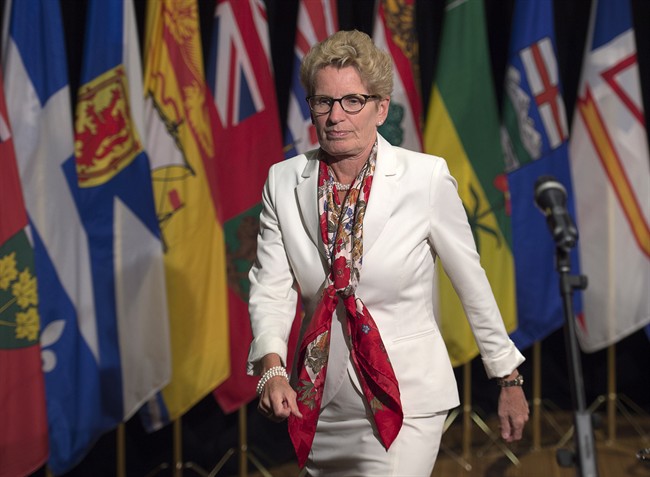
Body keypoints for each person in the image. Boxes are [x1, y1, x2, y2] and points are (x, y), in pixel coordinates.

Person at [246, 29, 529, 476]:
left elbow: (471, 284)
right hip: (319, 398)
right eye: (323, 102)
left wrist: (507, 377)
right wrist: (271, 367)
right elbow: (271, 286)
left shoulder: (425, 178)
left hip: (407, 397)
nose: (336, 116)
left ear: (380, 108)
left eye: (352, 101)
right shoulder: (283, 181)